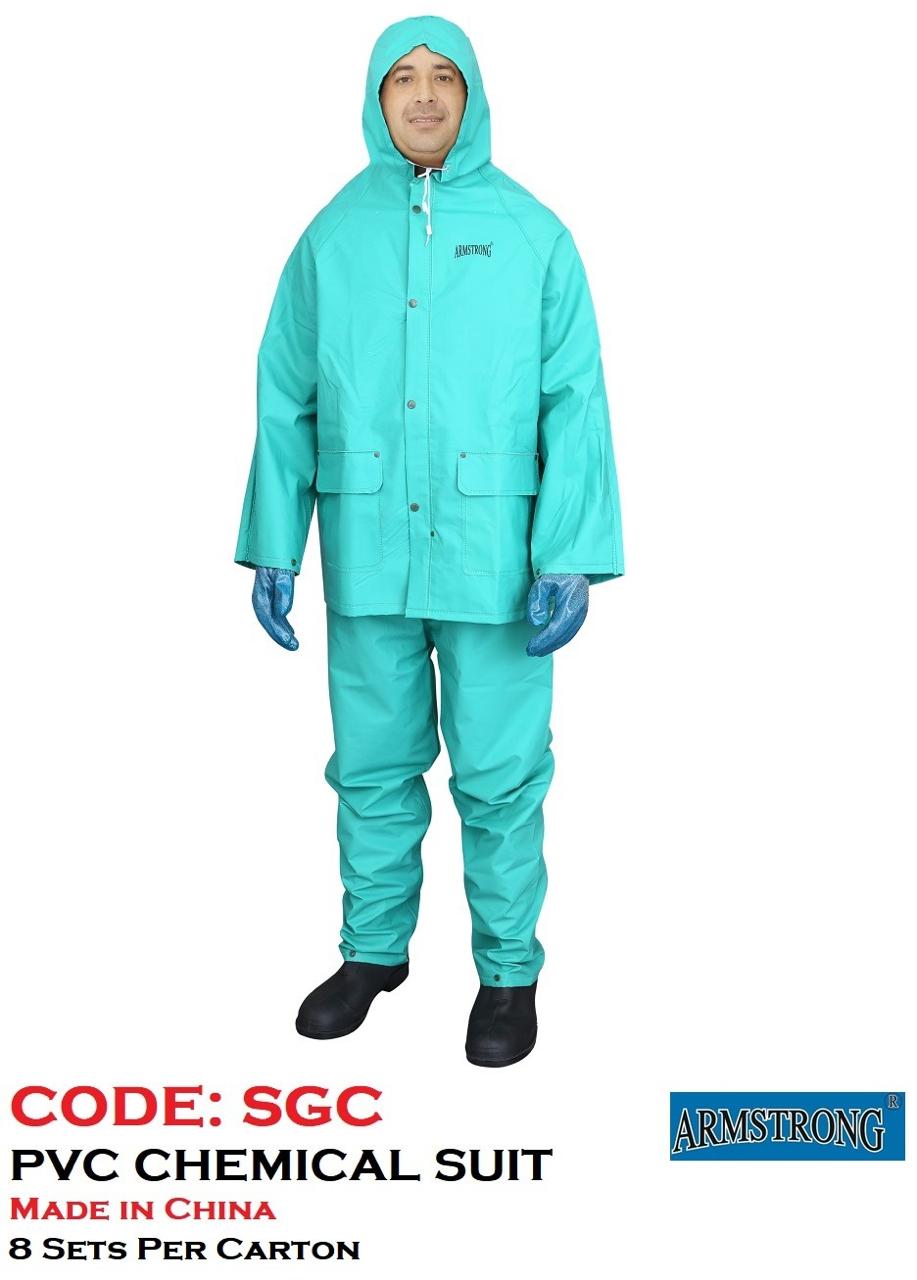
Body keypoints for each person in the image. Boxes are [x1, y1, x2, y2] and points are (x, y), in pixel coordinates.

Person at [234, 15, 624, 1067]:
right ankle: (372, 953)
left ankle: (507, 972)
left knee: (500, 775)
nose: (420, 95)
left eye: (441, 77)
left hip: (496, 558)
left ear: (471, 95)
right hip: (366, 545)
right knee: (369, 765)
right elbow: (285, 394)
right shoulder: (331, 236)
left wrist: (569, 551)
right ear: (375, 99)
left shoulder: (533, 234)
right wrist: (275, 541)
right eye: (400, 78)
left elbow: (574, 402)